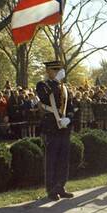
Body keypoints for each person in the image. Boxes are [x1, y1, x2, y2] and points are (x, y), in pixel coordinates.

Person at [36, 60, 74, 201]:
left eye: (59, 70)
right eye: (55, 70)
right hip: (51, 127)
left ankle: (61, 186)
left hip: (63, 128)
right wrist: (56, 81)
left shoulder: (64, 88)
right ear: (48, 71)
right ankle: (51, 189)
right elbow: (44, 97)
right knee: (51, 160)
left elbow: (71, 107)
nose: (58, 73)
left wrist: (69, 118)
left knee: (63, 160)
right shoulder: (42, 85)